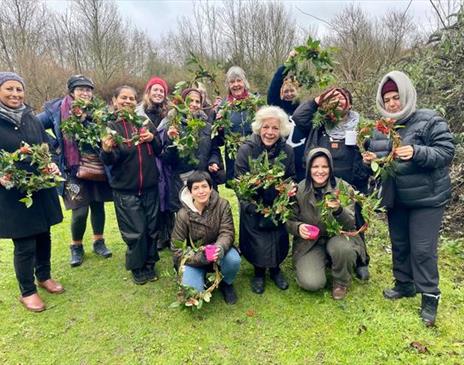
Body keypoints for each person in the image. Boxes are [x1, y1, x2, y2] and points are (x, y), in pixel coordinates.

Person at [362, 71, 454, 326]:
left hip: (427, 198)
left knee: (423, 250)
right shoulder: (382, 128)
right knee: (400, 244)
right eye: (387, 99)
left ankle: (430, 296)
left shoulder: (429, 120)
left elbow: (446, 151)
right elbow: (379, 157)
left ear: (407, 95)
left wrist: (417, 151)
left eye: (396, 97)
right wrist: (369, 159)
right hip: (397, 197)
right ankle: (404, 284)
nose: (392, 104)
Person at [0, 72, 64, 312]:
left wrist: (51, 162)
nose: (15, 94)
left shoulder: (31, 118)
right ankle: (27, 291)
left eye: (19, 89)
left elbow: (46, 146)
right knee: (25, 243)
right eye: (9, 89)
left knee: (43, 235)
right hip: (14, 194)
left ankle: (44, 276)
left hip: (39, 189)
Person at [292, 87, 371, 280]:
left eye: (341, 97)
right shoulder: (319, 124)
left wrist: (366, 163)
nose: (337, 101)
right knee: (319, 215)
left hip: (350, 182)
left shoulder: (360, 127)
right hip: (320, 178)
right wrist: (318, 100)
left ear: (350, 104)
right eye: (333, 98)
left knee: (353, 218)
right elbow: (298, 117)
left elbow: (369, 151)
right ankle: (321, 255)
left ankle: (360, 259)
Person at [37, 75, 113, 267]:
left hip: (96, 166)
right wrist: (54, 146)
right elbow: (34, 125)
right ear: (72, 91)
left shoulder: (99, 110)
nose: (85, 93)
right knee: (79, 210)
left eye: (88, 90)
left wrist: (88, 120)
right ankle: (76, 246)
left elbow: (107, 130)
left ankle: (99, 241)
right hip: (72, 168)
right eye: (81, 89)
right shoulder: (56, 109)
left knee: (98, 205)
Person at [100, 86, 162, 285]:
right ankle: (137, 266)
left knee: (152, 228)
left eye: (131, 98)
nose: (127, 101)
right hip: (126, 189)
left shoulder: (144, 122)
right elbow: (109, 161)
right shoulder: (111, 126)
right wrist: (107, 151)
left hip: (150, 186)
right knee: (136, 231)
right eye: (123, 98)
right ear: (115, 100)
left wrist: (152, 139)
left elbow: (159, 148)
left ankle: (150, 263)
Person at [286, 148, 367, 300]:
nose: (320, 171)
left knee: (343, 248)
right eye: (315, 167)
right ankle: (323, 262)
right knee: (311, 283)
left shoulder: (343, 188)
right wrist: (298, 228)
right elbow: (288, 220)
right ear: (309, 168)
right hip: (310, 243)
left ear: (331, 168)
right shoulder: (299, 190)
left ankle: (341, 281)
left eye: (324, 166)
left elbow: (351, 224)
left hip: (339, 237)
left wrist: (338, 209)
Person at [234, 105, 295, 294]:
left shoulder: (287, 151)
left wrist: (287, 192)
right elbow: (239, 185)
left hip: (278, 204)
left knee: (277, 237)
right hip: (254, 204)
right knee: (256, 239)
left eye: (275, 128)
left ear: (281, 130)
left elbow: (291, 176)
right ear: (259, 127)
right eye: (266, 127)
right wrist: (254, 207)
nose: (270, 132)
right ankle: (258, 272)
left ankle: (276, 269)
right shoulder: (246, 150)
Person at [171, 171, 240, 304]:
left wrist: (218, 248)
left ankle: (227, 283)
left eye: (204, 186)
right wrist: (201, 258)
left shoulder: (222, 205)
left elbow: (227, 232)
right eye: (196, 188)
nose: (201, 191)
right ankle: (201, 276)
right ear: (190, 192)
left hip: (218, 252)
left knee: (233, 260)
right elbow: (177, 249)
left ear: (211, 188)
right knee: (193, 292)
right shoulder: (182, 214)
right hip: (195, 257)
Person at [158, 87, 222, 213]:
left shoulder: (207, 127)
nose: (194, 104)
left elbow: (214, 150)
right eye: (190, 101)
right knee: (186, 224)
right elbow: (167, 158)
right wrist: (172, 140)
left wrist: (213, 162)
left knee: (209, 221)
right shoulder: (173, 126)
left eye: (197, 101)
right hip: (182, 184)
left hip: (205, 182)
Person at [136, 76, 172, 251]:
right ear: (148, 92)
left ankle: (169, 233)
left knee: (167, 196)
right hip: (147, 162)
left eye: (162, 91)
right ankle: (156, 235)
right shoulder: (138, 114)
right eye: (155, 90)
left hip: (166, 161)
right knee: (154, 197)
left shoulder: (170, 115)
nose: (158, 93)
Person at [213, 66, 256, 183]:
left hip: (255, 154)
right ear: (228, 85)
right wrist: (220, 129)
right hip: (234, 157)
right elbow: (218, 140)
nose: (236, 84)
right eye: (232, 82)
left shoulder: (255, 101)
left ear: (244, 82)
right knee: (239, 190)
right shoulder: (223, 106)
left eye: (239, 80)